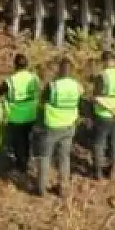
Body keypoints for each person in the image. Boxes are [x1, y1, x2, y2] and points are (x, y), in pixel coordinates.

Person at [36, 60, 83, 198]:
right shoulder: (77, 86)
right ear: (71, 72)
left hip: (52, 125)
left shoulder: (53, 86)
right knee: (64, 157)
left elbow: (42, 101)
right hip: (69, 125)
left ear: (59, 70)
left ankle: (41, 188)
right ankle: (63, 187)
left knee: (45, 156)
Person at [91, 49, 115, 179]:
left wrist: (109, 108)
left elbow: (96, 97)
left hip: (104, 115)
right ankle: (113, 170)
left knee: (99, 143)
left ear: (104, 61)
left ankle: (98, 171)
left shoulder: (102, 76)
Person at [1, 54, 41, 178]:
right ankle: (28, 160)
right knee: (27, 138)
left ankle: (21, 165)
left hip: (15, 115)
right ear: (27, 65)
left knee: (18, 141)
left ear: (15, 65)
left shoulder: (10, 80)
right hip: (30, 113)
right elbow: (38, 92)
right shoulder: (34, 78)